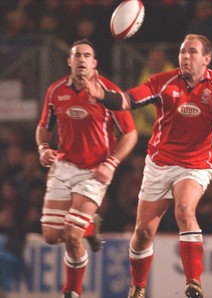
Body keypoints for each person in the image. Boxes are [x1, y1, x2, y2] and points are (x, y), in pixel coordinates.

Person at [83, 34, 212, 298]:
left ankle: (193, 283)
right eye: (182, 52)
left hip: (196, 164)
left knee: (183, 209)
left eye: (192, 52)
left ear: (206, 59)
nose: (185, 57)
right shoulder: (163, 81)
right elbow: (129, 100)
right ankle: (138, 287)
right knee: (143, 232)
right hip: (160, 162)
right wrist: (103, 95)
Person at [35, 39, 137, 298]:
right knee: (50, 235)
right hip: (63, 166)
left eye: (87, 55)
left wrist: (111, 163)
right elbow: (43, 126)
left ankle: (72, 291)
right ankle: (91, 226)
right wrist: (43, 148)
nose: (81, 59)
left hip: (94, 171)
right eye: (76, 55)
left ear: (94, 63)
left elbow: (130, 133)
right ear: (69, 61)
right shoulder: (56, 90)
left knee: (71, 234)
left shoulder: (109, 92)